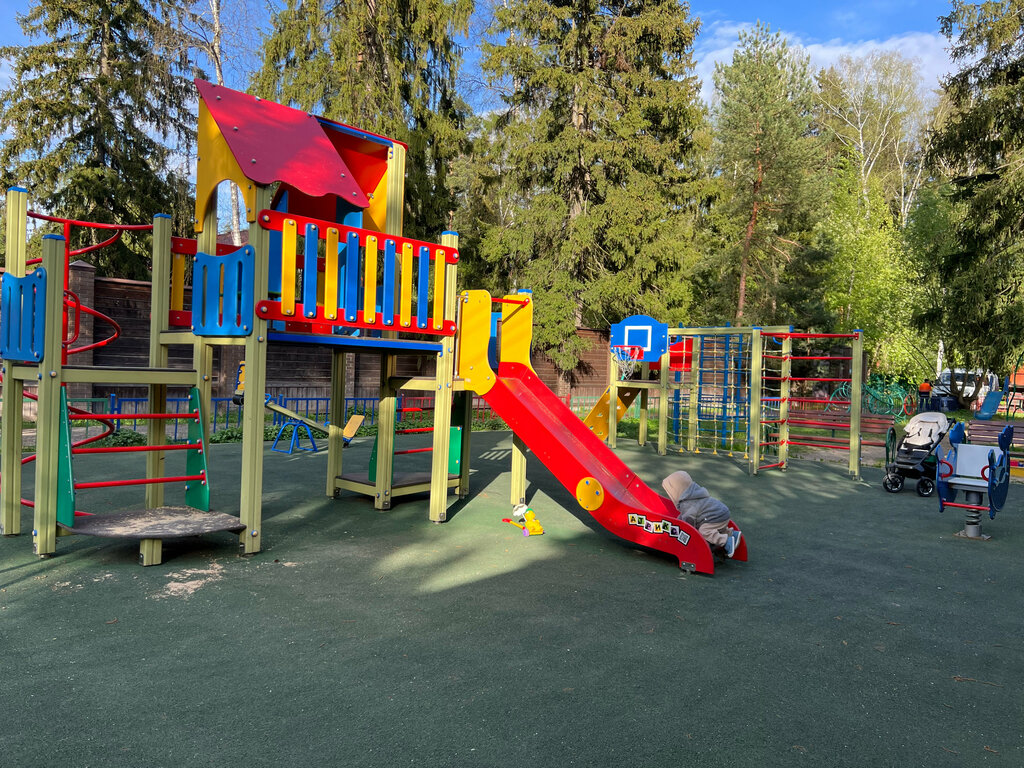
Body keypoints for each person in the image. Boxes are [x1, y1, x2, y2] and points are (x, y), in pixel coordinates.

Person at [662, 470, 741, 557]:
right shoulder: (695, 494)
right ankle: (731, 534)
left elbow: (689, 524)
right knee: (712, 527)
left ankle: (726, 541)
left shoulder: (687, 504)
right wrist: (677, 521)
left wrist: (681, 532)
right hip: (722, 513)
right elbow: (684, 515)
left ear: (676, 491)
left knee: (704, 531)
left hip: (714, 517)